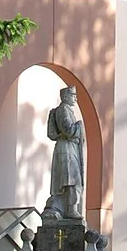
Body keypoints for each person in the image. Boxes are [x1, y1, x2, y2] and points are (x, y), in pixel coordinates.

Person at [44, 85, 85, 222]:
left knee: (72, 179)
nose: (76, 98)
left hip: (69, 147)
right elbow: (68, 130)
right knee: (71, 179)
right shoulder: (63, 110)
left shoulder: (67, 110)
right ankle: (71, 209)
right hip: (66, 148)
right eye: (73, 95)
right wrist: (79, 125)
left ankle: (70, 208)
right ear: (66, 97)